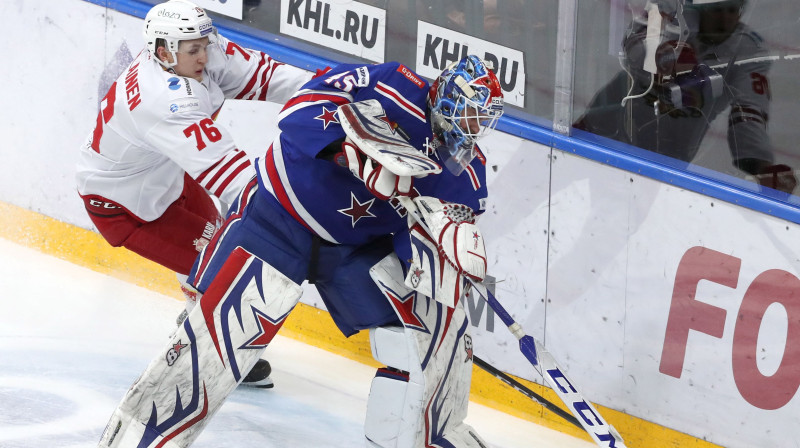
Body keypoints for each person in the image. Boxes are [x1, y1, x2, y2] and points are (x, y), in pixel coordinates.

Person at [97, 55, 504, 447]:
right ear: (448, 96)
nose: (474, 127)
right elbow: (302, 107)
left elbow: (418, 251)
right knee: (216, 345)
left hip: (352, 251)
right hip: (278, 218)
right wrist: (351, 155)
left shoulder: (466, 173)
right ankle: (141, 437)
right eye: (470, 114)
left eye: (483, 121)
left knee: (421, 340)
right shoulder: (390, 83)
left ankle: (429, 436)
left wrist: (440, 248)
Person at [75, 0, 312, 387]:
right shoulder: (164, 101)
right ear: (165, 51)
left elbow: (266, 76)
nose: (206, 54)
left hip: (165, 175)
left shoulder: (185, 54)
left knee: (221, 245)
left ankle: (201, 319)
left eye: (205, 43)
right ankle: (201, 347)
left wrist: (334, 90)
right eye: (194, 49)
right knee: (223, 257)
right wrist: (300, 217)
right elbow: (234, 179)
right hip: (123, 205)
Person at [574, 0, 797, 194]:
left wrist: (760, 166)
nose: (724, 18)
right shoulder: (672, 9)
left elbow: (748, 113)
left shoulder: (749, 51)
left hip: (671, 144)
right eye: (717, 9)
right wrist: (659, 58)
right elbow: (634, 42)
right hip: (611, 113)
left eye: (732, 9)